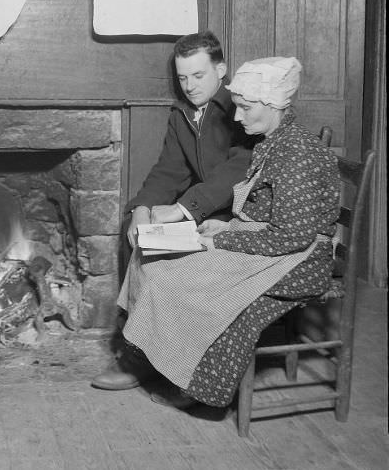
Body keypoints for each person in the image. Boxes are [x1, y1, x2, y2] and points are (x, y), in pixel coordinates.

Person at [106, 57, 340, 410]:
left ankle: (195, 385)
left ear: (272, 103)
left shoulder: (298, 154)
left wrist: (220, 239)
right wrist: (227, 224)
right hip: (268, 241)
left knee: (181, 282)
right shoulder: (273, 140)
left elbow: (291, 238)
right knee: (155, 262)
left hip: (299, 261)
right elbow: (271, 214)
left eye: (245, 108)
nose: (237, 116)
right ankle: (157, 360)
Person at [91, 30, 255, 390]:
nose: (190, 86)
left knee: (166, 260)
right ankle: (138, 343)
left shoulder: (243, 109)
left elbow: (235, 172)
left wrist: (182, 210)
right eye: (182, 78)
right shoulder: (183, 112)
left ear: (221, 70)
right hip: (203, 212)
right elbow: (168, 169)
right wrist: (142, 209)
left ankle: (154, 358)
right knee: (136, 234)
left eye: (198, 76)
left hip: (236, 217)